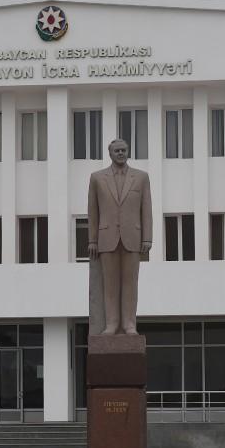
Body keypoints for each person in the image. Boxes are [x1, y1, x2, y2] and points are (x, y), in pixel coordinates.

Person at [87, 138, 152, 335]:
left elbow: (146, 209)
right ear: (110, 153)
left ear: (128, 151)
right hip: (107, 239)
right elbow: (92, 212)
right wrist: (92, 240)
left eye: (124, 150)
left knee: (130, 284)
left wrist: (147, 238)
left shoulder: (141, 177)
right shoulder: (97, 178)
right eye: (117, 151)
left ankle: (129, 324)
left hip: (133, 238)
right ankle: (112, 324)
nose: (121, 153)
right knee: (110, 285)